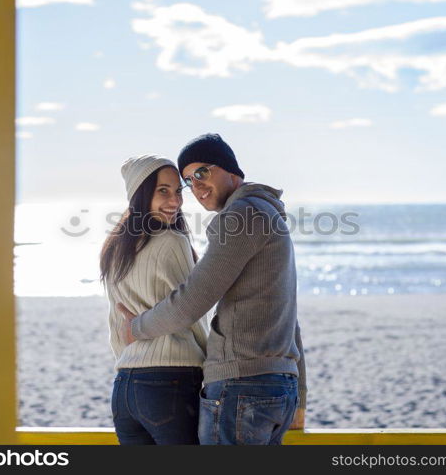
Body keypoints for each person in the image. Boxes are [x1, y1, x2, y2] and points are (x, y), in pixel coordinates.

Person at [117, 133, 307, 445]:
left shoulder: (241, 215)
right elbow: (289, 315)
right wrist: (300, 396)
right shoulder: (269, 215)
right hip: (277, 388)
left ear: (231, 170)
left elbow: (194, 298)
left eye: (203, 172)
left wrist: (136, 328)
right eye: (189, 181)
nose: (197, 187)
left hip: (241, 387)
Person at [100, 155, 208, 445]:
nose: (175, 201)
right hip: (173, 381)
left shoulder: (113, 249)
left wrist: (130, 363)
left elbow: (117, 325)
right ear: (141, 193)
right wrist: (209, 366)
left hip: (124, 388)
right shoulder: (173, 241)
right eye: (163, 191)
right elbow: (192, 312)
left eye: (178, 191)